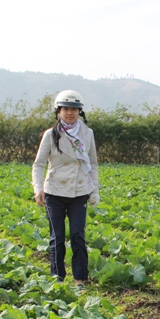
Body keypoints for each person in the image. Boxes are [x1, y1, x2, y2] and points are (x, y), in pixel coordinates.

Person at [32, 90, 99, 288]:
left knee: (78, 235)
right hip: (54, 191)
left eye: (74, 109)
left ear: (80, 112)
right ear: (58, 111)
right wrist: (38, 188)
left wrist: (94, 191)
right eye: (66, 109)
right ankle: (58, 279)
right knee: (57, 237)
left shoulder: (87, 134)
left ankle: (79, 280)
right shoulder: (50, 135)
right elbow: (38, 164)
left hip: (79, 191)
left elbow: (93, 164)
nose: (70, 113)